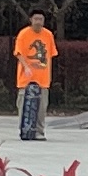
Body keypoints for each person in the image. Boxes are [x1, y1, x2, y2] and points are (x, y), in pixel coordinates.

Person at [13, 10, 57, 140]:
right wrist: (26, 67)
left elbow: (50, 55)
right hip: (26, 78)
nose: (38, 22)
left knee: (42, 107)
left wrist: (47, 73)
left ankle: (39, 131)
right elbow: (18, 53)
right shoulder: (24, 34)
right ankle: (25, 130)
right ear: (31, 20)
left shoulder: (48, 35)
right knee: (24, 105)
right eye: (36, 19)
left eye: (41, 19)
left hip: (42, 78)